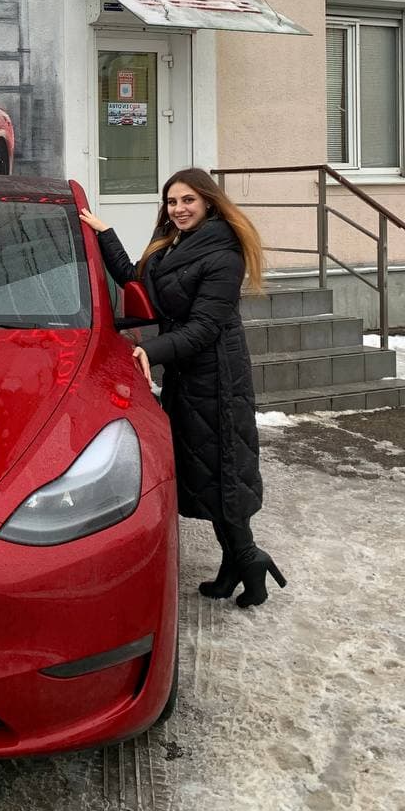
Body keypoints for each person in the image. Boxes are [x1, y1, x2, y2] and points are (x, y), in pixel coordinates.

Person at [81, 168, 286, 609]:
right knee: (206, 472)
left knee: (223, 469)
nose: (179, 209)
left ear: (209, 201)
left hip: (218, 376)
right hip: (188, 371)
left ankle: (248, 558)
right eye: (172, 201)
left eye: (188, 200)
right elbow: (139, 284)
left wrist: (151, 350)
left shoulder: (224, 253)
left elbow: (206, 326)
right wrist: (104, 234)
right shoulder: (172, 243)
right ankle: (237, 561)